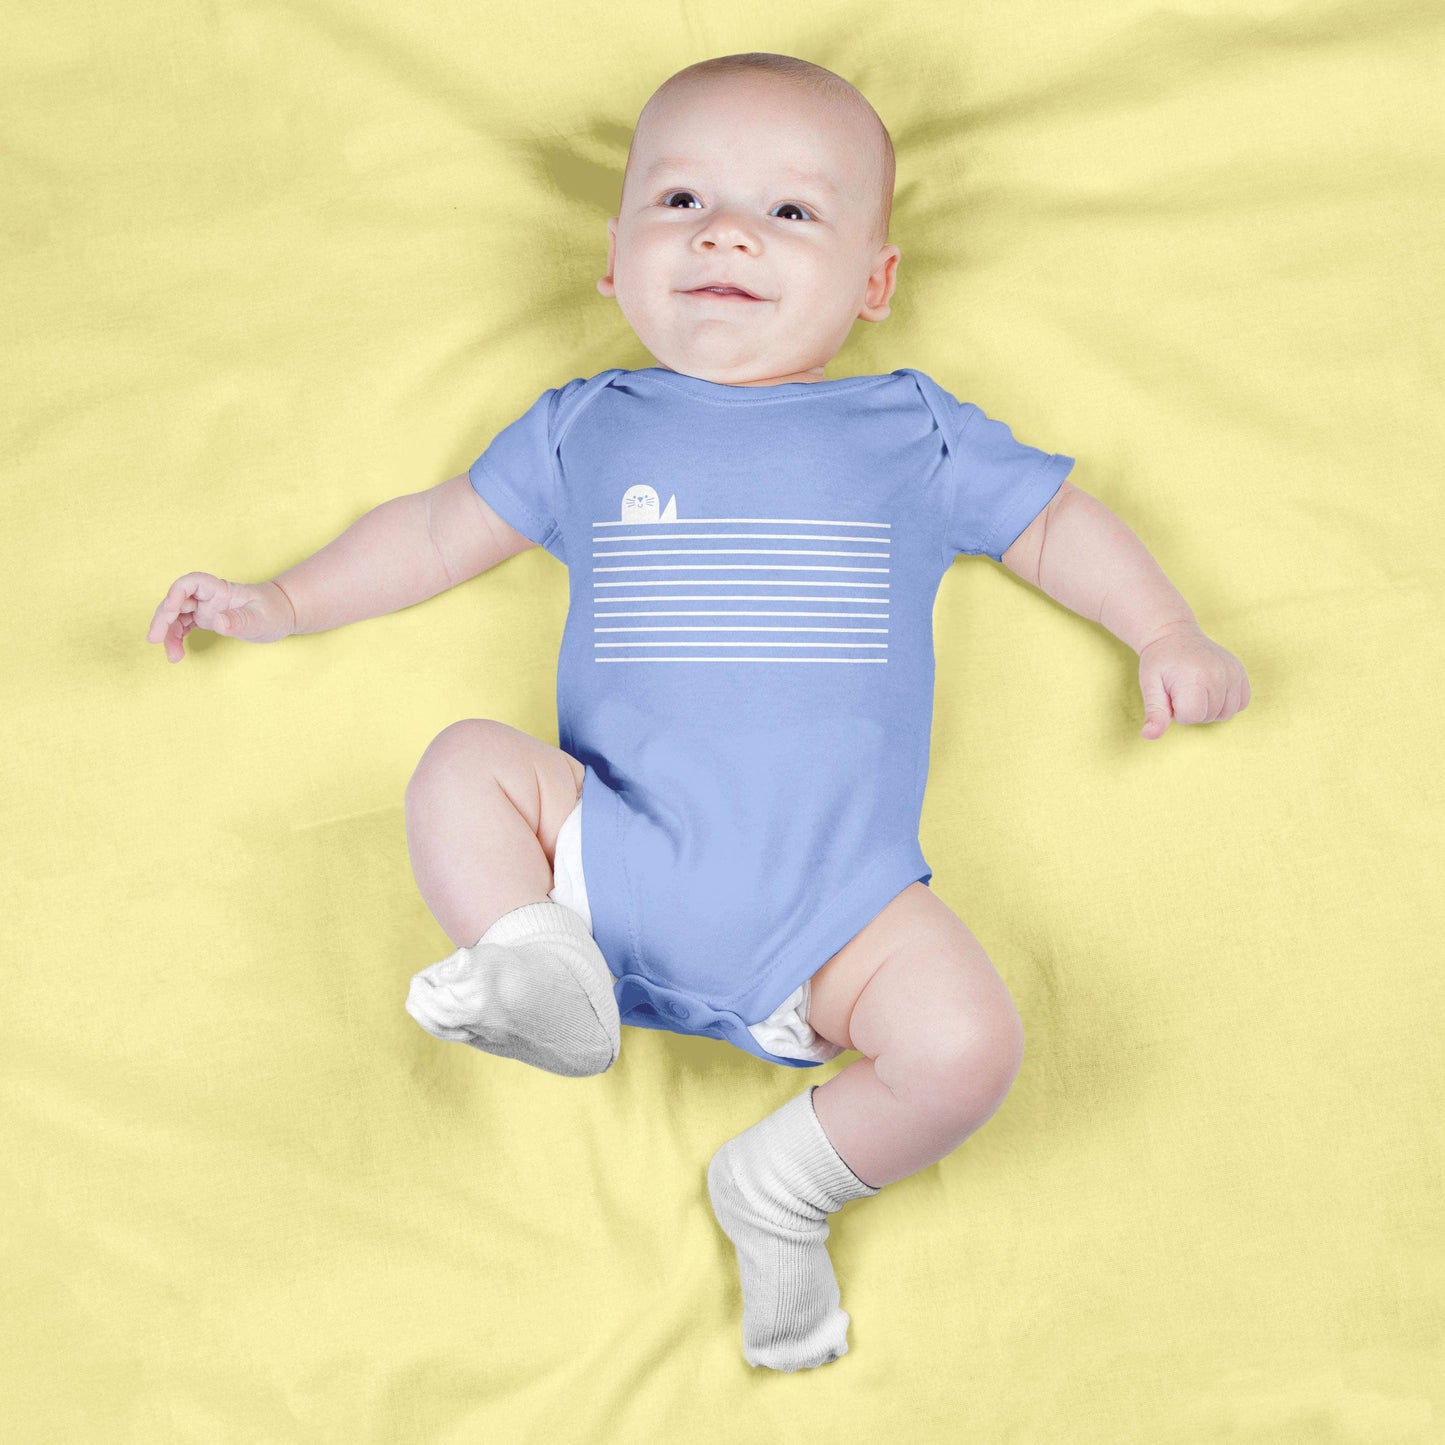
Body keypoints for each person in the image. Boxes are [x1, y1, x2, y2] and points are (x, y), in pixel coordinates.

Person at [145, 52, 1250, 1373]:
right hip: (604, 856)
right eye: (679, 201)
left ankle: (782, 1185)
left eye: (790, 211)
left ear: (876, 281)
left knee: (967, 1045)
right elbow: (436, 532)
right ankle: (531, 962)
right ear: (614, 264)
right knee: (460, 767)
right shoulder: (586, 428)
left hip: (836, 912)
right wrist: (282, 599)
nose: (725, 232)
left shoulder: (912, 434)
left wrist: (1163, 628)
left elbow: (1056, 523)